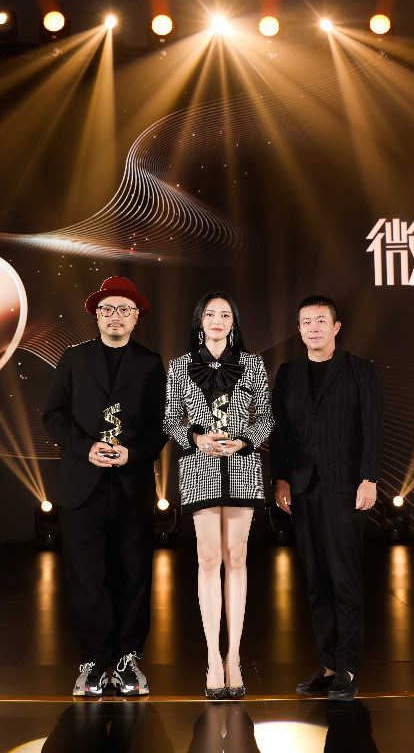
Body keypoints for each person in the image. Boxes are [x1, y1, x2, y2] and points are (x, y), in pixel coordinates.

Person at [43, 276, 169, 697]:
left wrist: (134, 454)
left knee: (134, 575)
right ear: (97, 316)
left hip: (132, 485)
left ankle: (129, 658)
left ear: (136, 317)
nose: (116, 316)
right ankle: (95, 659)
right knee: (86, 576)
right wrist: (85, 448)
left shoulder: (150, 363)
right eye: (108, 309)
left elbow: (162, 424)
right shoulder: (74, 358)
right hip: (83, 486)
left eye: (124, 310)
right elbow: (53, 415)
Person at [163, 291, 273, 700]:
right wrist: (196, 439)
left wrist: (244, 440)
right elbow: (170, 419)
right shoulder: (179, 367)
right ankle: (212, 657)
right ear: (200, 320)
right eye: (210, 313)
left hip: (242, 467)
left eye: (225, 314)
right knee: (208, 558)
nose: (217, 320)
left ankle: (234, 657)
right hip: (199, 467)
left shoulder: (253, 364)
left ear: (234, 322)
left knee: (237, 557)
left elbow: (266, 416)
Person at [271, 295, 382, 702]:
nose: (313, 328)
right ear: (299, 330)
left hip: (345, 486)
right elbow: (280, 432)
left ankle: (348, 667)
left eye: (321, 321)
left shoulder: (359, 370)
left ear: (336, 327)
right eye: (306, 322)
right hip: (302, 487)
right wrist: (281, 479)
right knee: (316, 580)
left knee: (344, 579)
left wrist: (369, 478)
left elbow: (372, 427)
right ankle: (328, 664)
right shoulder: (288, 373)